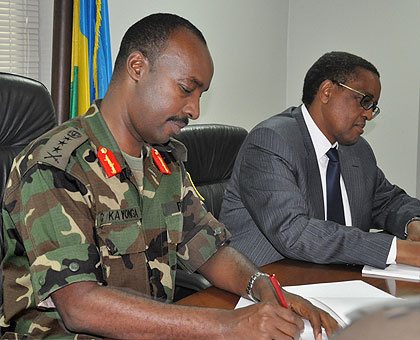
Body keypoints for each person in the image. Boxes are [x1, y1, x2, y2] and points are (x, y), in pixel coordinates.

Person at [0, 13, 338, 340]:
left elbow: (208, 248)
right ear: (137, 67)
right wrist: (227, 326)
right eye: (186, 89)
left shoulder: (164, 160)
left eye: (200, 94)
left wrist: (263, 286)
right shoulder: (56, 165)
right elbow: (80, 306)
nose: (195, 110)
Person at [219, 51, 420, 269]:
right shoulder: (270, 142)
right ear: (327, 91)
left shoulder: (357, 150)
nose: (369, 115)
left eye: (373, 106)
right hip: (266, 282)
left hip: (340, 280)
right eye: (365, 101)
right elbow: (294, 232)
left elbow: (387, 201)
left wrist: (413, 223)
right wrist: (397, 250)